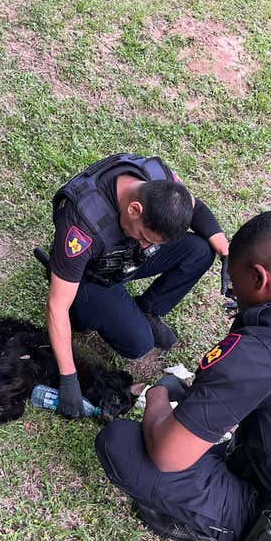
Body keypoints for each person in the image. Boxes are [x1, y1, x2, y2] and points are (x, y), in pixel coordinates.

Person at [93, 209, 271, 541]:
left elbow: (167, 455)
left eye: (233, 283)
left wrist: (156, 396)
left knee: (120, 442)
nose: (232, 295)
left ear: (259, 278)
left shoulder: (259, 352)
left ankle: (225, 531)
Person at [43, 153, 230, 419]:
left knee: (201, 250)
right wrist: (68, 378)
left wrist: (226, 253)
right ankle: (92, 311)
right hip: (90, 275)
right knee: (139, 343)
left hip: (122, 259)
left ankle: (147, 309)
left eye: (153, 243)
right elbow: (56, 307)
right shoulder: (82, 226)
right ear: (134, 209)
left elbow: (195, 208)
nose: (148, 247)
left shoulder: (160, 183)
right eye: (144, 237)